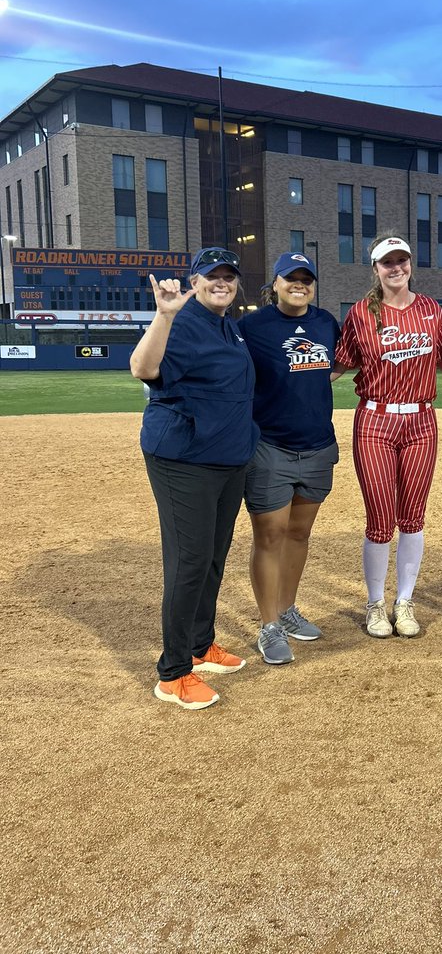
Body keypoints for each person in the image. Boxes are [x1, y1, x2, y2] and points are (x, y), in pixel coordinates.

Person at [130, 246, 258, 710]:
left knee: (213, 557)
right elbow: (142, 370)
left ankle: (202, 646)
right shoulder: (181, 320)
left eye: (228, 276)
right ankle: (173, 672)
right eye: (211, 276)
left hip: (227, 458)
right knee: (189, 561)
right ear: (195, 280)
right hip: (183, 457)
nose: (221, 282)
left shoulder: (229, 326)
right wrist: (163, 316)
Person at [333, 234, 442, 638]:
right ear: (376, 269)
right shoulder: (361, 314)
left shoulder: (432, 310)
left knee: (413, 517)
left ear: (411, 264)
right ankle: (375, 605)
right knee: (381, 517)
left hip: (421, 421)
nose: (396, 267)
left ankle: (404, 601)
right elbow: (337, 365)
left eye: (402, 260)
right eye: (387, 262)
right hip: (375, 420)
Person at [237, 252, 340, 666]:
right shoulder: (252, 326)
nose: (300, 285)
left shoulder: (325, 322)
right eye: (291, 278)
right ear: (275, 284)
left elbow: (335, 365)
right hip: (270, 446)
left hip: (317, 445)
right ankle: (268, 626)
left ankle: (287, 610)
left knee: (299, 533)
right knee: (270, 534)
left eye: (306, 279)